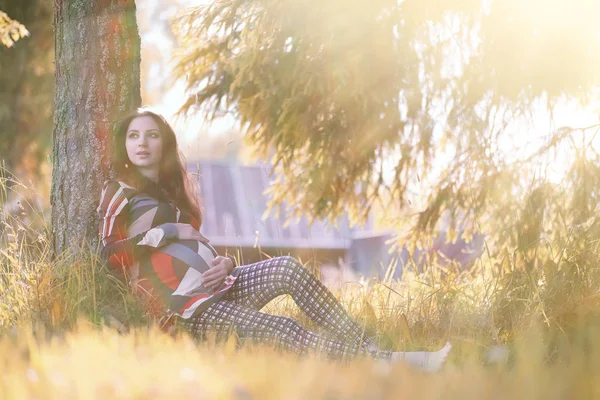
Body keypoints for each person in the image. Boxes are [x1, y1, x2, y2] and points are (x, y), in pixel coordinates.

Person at [96, 108, 451, 370]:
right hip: (187, 310)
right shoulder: (119, 193)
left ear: (165, 143)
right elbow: (109, 256)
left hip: (221, 285)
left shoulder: (175, 194)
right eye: (133, 135)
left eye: (151, 135)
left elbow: (197, 246)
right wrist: (167, 232)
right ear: (124, 144)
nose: (142, 143)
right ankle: (394, 363)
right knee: (285, 329)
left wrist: (226, 262)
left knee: (287, 268)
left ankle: (374, 353)